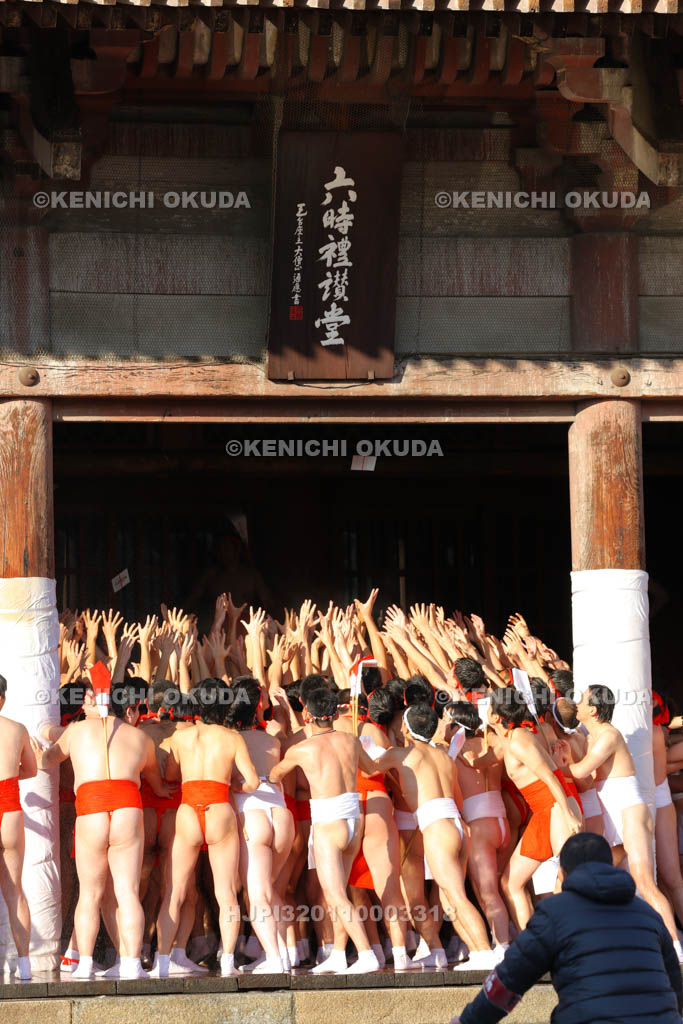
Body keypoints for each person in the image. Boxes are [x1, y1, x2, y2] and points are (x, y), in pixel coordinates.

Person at [450, 832, 683, 1024]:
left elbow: (510, 979)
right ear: (610, 865)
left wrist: (468, 1021)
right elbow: (676, 987)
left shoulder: (555, 913)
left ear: (562, 873)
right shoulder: (647, 914)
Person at [32, 680, 172, 979]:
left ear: (99, 700)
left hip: (91, 809)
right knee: (127, 893)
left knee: (90, 894)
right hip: (127, 808)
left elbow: (47, 760)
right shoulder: (140, 738)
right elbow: (157, 784)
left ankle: (83, 963)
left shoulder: (77, 731)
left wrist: (37, 749)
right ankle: (132, 964)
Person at [268, 686, 383, 974]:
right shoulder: (351, 739)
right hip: (354, 819)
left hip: (328, 822)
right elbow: (370, 769)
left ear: (307, 714)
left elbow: (274, 775)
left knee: (334, 894)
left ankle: (367, 953)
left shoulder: (301, 749)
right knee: (339, 892)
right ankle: (339, 954)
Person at [373, 702, 496, 970]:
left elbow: (369, 767)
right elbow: (459, 799)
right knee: (451, 899)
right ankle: (457, 952)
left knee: (456, 896)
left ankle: (485, 952)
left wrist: (358, 744)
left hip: (438, 827)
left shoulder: (400, 755)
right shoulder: (443, 755)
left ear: (405, 727)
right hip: (457, 824)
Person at [568, 684, 683, 959]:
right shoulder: (592, 736)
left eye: (582, 700)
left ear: (593, 710)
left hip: (630, 814)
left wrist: (560, 761)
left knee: (644, 881)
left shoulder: (608, 735)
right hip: (616, 817)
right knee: (599, 880)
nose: (577, 704)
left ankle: (674, 947)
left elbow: (581, 771)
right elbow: (584, 777)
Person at [154, 678, 259, 977]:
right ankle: (227, 961)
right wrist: (234, 784)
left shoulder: (181, 737)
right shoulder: (231, 737)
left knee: (174, 892)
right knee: (225, 892)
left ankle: (162, 961)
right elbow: (251, 781)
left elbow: (172, 775)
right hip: (219, 808)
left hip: (188, 809)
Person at [483, 688, 583, 931]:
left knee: (568, 878)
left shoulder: (519, 739)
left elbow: (550, 778)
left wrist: (568, 815)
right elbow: (483, 759)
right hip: (544, 810)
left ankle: (572, 939)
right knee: (510, 882)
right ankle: (534, 944)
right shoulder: (514, 736)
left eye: (489, 706)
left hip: (557, 806)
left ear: (496, 716)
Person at [228, 676, 295, 973]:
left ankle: (275, 959)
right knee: (270, 890)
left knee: (258, 895)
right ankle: (284, 952)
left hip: (251, 813)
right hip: (281, 814)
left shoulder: (230, 738)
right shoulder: (272, 738)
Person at [447, 701, 510, 953]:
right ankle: (505, 940)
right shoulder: (492, 741)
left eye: (447, 721)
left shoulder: (453, 751)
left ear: (456, 727)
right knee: (502, 889)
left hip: (480, 827)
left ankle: (503, 947)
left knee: (488, 893)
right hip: (501, 820)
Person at [0, 673, 37, 981]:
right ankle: (25, 966)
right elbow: (32, 769)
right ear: (3, 698)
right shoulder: (17, 729)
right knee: (15, 891)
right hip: (10, 806)